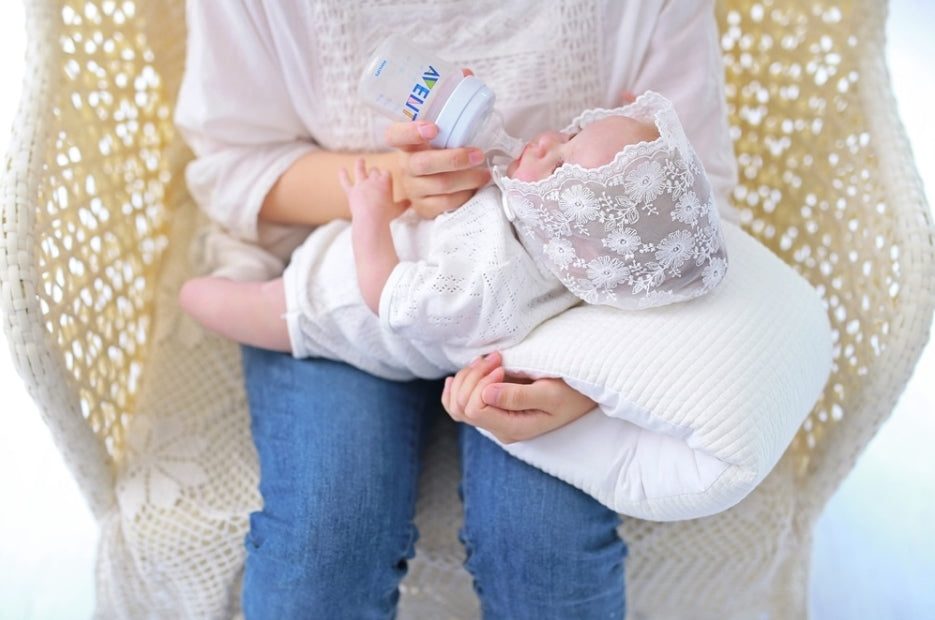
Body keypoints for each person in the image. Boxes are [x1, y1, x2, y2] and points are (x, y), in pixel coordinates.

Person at [174, 2, 738, 618]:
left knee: (546, 552)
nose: (548, 139)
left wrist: (593, 386)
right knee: (324, 547)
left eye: (570, 144)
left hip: (562, 324)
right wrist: (394, 185)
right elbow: (233, 166)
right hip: (326, 262)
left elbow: (687, 223)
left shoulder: (501, 278)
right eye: (570, 131)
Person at [178, 92, 728, 384]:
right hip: (357, 242)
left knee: (203, 298)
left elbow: (388, 297)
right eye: (572, 133)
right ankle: (245, 259)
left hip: (330, 302)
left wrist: (370, 216)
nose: (545, 141)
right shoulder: (560, 236)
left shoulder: (493, 288)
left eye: (560, 162)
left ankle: (236, 271)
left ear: (582, 245)